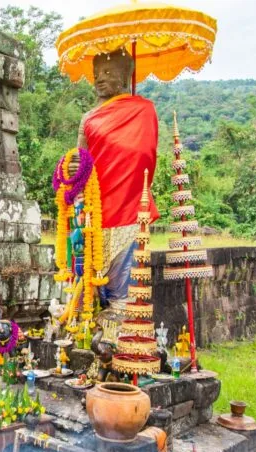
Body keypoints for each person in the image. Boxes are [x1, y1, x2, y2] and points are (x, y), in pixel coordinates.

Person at [77, 50, 159, 330]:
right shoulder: (88, 118)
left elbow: (145, 155)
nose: (99, 79)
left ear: (125, 77)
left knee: (126, 269)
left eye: (108, 73)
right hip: (95, 203)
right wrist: (74, 181)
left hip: (129, 202)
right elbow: (81, 161)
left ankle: (122, 316)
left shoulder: (143, 110)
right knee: (89, 268)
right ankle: (92, 317)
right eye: (96, 74)